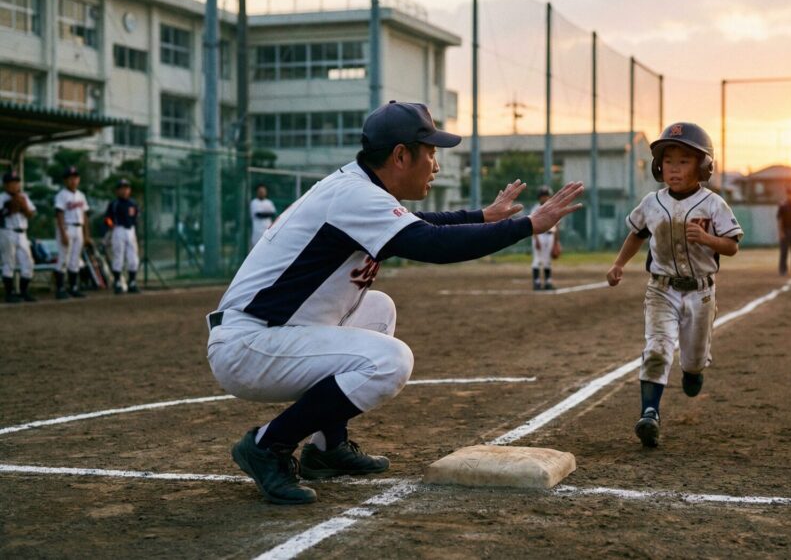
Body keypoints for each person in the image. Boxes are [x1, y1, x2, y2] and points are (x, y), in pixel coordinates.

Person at [206, 100, 584, 504]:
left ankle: (327, 446)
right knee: (390, 361)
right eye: (431, 152)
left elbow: (418, 224)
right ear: (401, 156)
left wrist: (482, 216)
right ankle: (267, 445)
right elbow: (432, 243)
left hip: (271, 334)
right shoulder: (355, 195)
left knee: (378, 310)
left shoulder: (358, 188)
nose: (436, 165)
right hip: (251, 346)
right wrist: (527, 225)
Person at [606, 122, 742, 449]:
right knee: (657, 348)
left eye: (684, 161)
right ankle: (650, 413)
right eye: (668, 161)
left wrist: (708, 239)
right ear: (658, 166)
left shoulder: (713, 204)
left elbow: (731, 246)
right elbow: (637, 234)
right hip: (661, 289)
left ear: (703, 166)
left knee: (692, 361)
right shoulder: (652, 202)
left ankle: (693, 371)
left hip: (701, 293)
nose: (674, 168)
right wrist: (619, 263)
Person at [54, 166, 91, 299]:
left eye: (75, 177)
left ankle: (73, 287)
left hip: (79, 228)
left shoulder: (81, 195)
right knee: (64, 258)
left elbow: (85, 215)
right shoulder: (61, 195)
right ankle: (60, 288)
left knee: (75, 259)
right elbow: (59, 214)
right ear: (65, 180)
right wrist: (63, 233)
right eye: (70, 178)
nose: (73, 180)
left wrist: (86, 234)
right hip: (67, 227)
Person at [1, 170, 37, 303]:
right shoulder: (1, 198)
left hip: (22, 233)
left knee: (28, 263)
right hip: (7, 232)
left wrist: (24, 207)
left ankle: (24, 292)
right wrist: (9, 208)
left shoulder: (24, 197)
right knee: (8, 263)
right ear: (5, 185)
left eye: (17, 182)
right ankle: (9, 294)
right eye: (12, 182)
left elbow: (32, 214)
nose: (15, 185)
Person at [104, 179, 141, 294]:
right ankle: (117, 282)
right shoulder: (114, 204)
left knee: (133, 257)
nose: (125, 191)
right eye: (122, 188)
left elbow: (136, 217)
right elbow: (107, 218)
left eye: (127, 188)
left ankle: (132, 282)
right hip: (118, 229)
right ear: (117, 191)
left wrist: (135, 228)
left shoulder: (133, 203)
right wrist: (112, 226)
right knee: (118, 256)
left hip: (131, 230)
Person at [530, 185, 561, 290]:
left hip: (550, 236)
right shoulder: (535, 209)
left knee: (547, 260)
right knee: (537, 259)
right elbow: (532, 225)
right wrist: (536, 240)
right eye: (543, 196)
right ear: (539, 197)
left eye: (547, 196)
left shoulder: (554, 209)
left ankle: (548, 282)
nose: (546, 198)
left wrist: (556, 242)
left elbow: (556, 226)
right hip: (539, 236)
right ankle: (537, 283)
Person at [250, 184, 276, 249]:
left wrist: (264, 213)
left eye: (263, 191)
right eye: (260, 191)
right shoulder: (254, 202)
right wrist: (267, 213)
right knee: (257, 249)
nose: (262, 193)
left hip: (268, 231)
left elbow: (273, 213)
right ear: (257, 192)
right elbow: (258, 214)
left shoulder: (269, 202)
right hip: (257, 232)